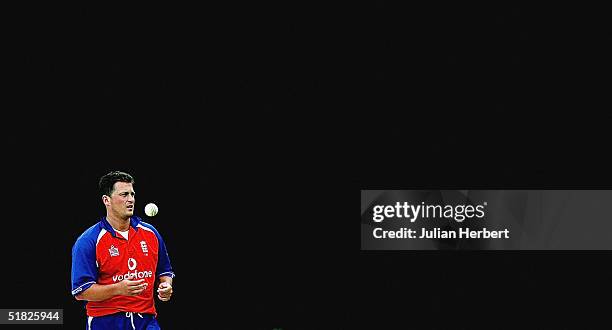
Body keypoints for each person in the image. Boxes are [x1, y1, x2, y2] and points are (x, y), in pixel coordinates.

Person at [71, 171, 175, 329]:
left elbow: (165, 271)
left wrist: (166, 285)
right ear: (107, 200)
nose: (131, 199)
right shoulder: (88, 241)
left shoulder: (151, 233)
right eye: (124, 194)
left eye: (132, 194)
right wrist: (118, 289)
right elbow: (81, 291)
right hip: (106, 321)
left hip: (146, 320)